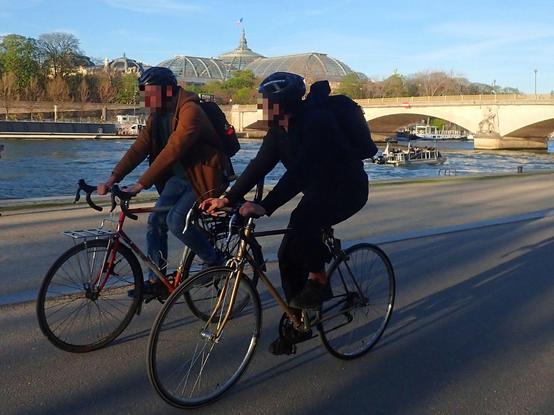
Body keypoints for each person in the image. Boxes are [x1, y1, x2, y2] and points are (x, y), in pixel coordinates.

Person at [201, 72, 374, 335]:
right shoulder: (277, 131)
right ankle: (298, 318)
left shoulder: (317, 123)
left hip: (348, 189)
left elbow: (300, 172)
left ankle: (318, 280)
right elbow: (258, 166)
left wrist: (265, 205)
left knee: (302, 221)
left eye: (266, 102)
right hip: (319, 190)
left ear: (282, 104)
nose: (262, 107)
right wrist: (227, 198)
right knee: (286, 254)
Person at [98, 67, 228, 299]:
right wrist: (113, 177)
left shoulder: (190, 110)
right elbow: (139, 147)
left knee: (176, 221)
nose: (147, 98)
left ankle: (214, 261)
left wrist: (140, 184)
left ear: (167, 91)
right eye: (145, 93)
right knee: (155, 221)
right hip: (179, 178)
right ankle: (157, 280)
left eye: (151, 93)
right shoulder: (157, 115)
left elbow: (174, 150)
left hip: (204, 177)